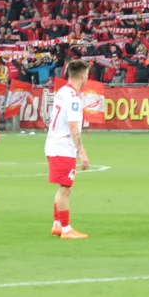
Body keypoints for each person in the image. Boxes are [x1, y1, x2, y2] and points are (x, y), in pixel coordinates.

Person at [46, 60, 92, 239]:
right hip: (63, 146)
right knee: (65, 188)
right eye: (87, 74)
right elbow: (74, 127)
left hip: (53, 144)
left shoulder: (63, 91)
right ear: (83, 75)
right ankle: (66, 229)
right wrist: (82, 152)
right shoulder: (73, 98)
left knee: (64, 187)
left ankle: (57, 224)